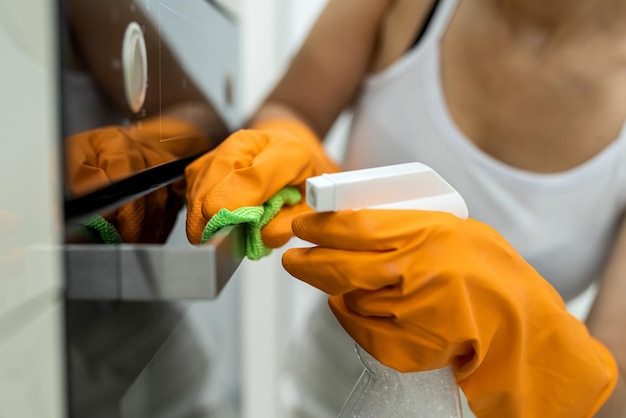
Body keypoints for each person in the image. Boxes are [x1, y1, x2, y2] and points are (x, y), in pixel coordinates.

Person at [184, 0, 626, 416]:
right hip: (323, 396)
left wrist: (517, 330)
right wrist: (287, 138)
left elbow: (615, 399)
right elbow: (294, 104)